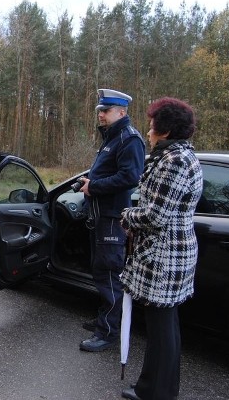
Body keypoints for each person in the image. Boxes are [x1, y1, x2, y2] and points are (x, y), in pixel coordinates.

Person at [119, 98, 203, 400]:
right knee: (164, 326)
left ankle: (157, 392)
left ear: (165, 130)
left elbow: (155, 216)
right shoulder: (178, 156)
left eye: (153, 124)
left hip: (165, 256)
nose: (149, 129)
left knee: (162, 329)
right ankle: (153, 388)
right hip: (168, 252)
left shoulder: (175, 161)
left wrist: (127, 216)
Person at [76, 89, 145, 352]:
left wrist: (94, 187)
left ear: (122, 112)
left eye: (105, 111)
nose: (101, 115)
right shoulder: (112, 138)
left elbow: (130, 178)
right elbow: (108, 173)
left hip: (113, 217)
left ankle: (107, 332)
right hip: (100, 215)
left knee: (109, 274)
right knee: (100, 270)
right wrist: (89, 183)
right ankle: (105, 317)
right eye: (100, 111)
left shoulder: (129, 140)